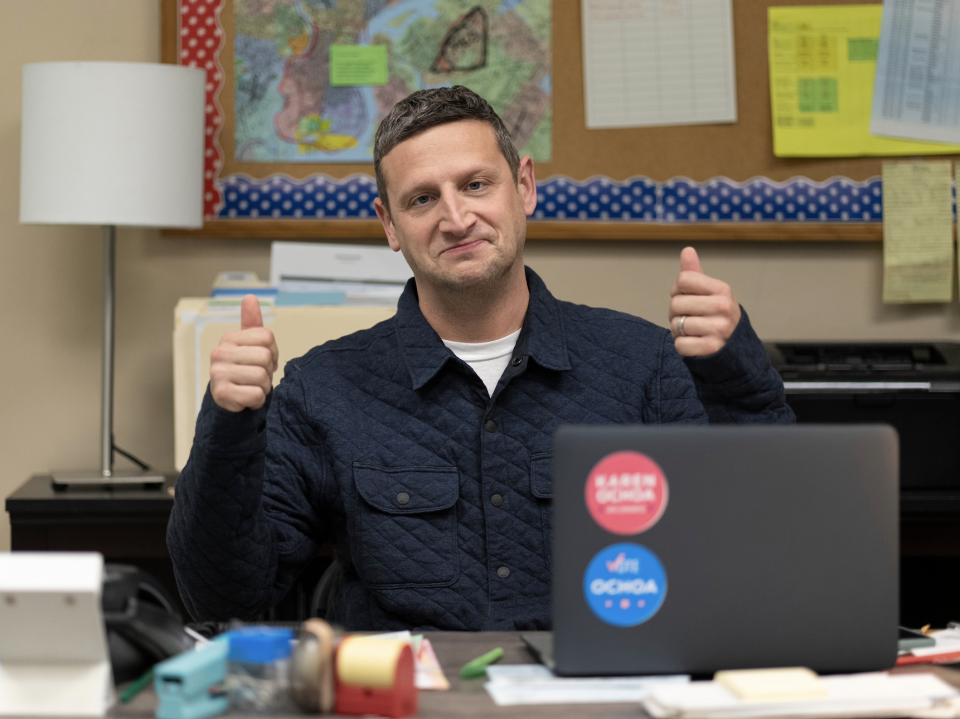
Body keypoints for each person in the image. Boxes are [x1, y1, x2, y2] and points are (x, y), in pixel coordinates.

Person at [168, 87, 794, 631]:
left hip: (599, 696)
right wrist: (228, 424)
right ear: (390, 225)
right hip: (404, 705)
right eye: (421, 200)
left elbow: (764, 544)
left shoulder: (645, 365)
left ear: (523, 187)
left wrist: (733, 373)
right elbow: (225, 600)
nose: (456, 217)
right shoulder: (321, 388)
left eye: (475, 184)